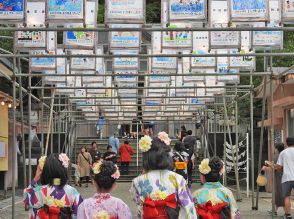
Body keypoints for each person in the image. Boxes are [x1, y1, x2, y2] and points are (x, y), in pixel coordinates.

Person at [130, 132, 197, 219]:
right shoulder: (178, 179)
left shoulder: (137, 181)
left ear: (147, 157)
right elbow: (188, 208)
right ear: (166, 156)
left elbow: (138, 205)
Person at [23, 153, 83, 218]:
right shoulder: (72, 191)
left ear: (46, 171)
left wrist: (35, 178)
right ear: (63, 170)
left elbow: (26, 198)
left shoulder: (39, 191)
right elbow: (79, 212)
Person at [266, 137, 294, 219]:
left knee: (286, 197)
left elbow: (278, 167)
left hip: (287, 178)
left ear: (286, 143)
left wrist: (271, 165)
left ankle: (288, 215)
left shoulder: (283, 153)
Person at [262, 143, 285, 216]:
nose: (274, 150)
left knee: (279, 194)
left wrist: (267, 165)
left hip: (279, 177)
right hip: (282, 176)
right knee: (278, 193)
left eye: (275, 148)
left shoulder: (277, 156)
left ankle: (286, 213)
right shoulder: (283, 155)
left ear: (277, 148)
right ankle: (274, 210)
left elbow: (274, 167)